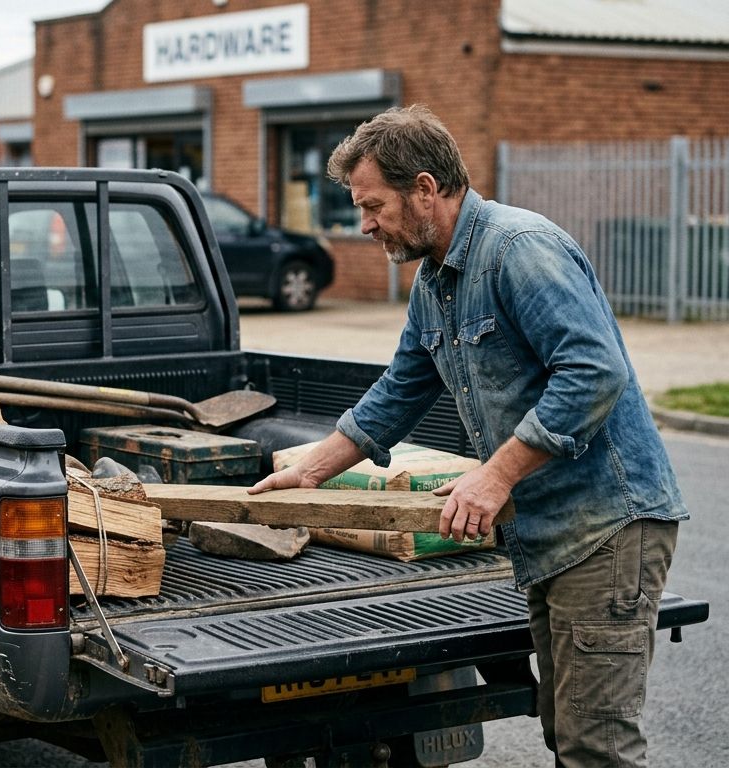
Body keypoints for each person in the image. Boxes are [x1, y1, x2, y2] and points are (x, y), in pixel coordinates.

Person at [249, 105, 687, 767]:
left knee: (597, 748)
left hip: (606, 528)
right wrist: (312, 470)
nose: (364, 225)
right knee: (566, 733)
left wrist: (495, 474)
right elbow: (401, 387)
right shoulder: (436, 278)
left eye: (373, 206)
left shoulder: (518, 250)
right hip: (549, 534)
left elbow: (595, 372)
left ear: (425, 189)